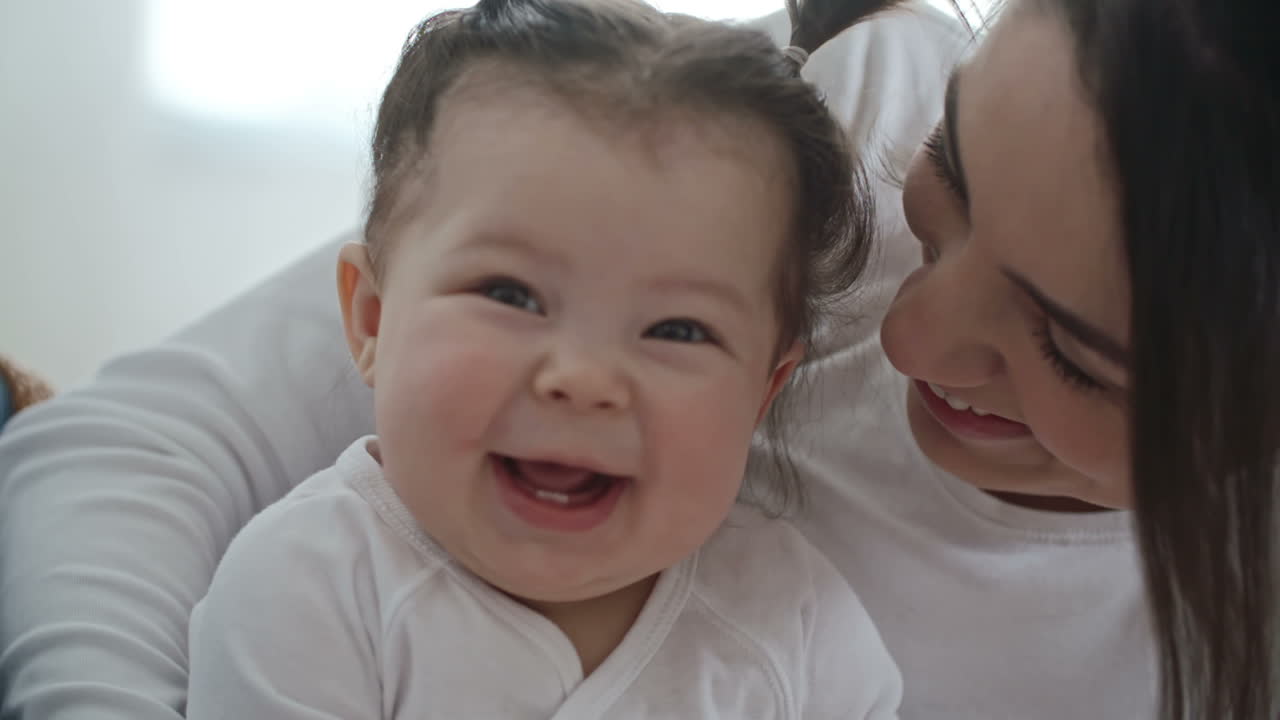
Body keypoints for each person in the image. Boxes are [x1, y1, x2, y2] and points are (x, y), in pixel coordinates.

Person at [14, 0, 1273, 717]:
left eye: (1072, 354)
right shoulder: (815, 135)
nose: (901, 333)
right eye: (947, 168)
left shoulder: (792, 629)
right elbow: (127, 447)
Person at [181, 0, 906, 717]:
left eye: (679, 330)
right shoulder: (309, 587)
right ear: (372, 317)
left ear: (764, 390)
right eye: (510, 294)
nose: (583, 380)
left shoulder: (799, 619)